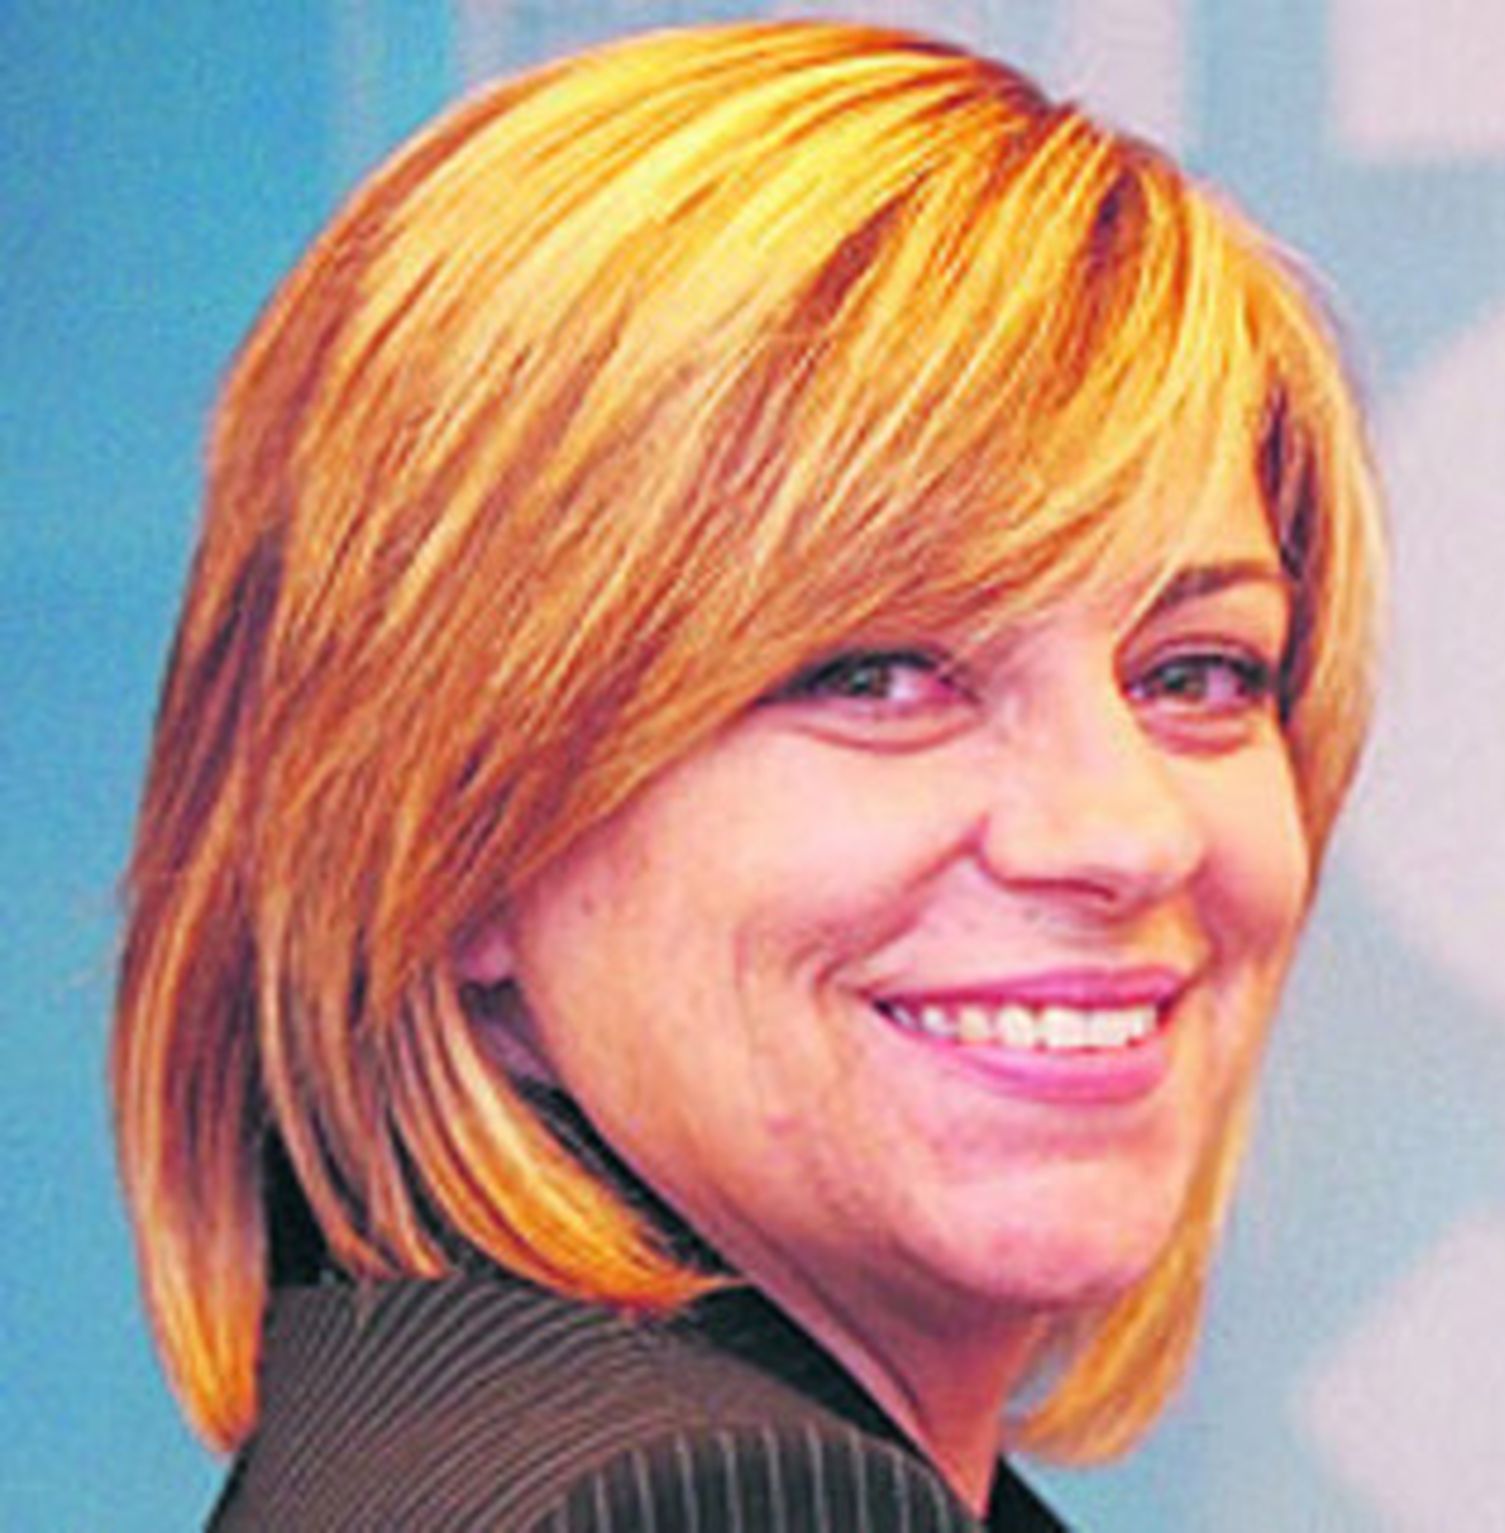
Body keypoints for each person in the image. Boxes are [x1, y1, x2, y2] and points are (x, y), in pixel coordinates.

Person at [113, 20, 1383, 1530]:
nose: (1126, 832)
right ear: (455, 831)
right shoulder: (718, 1501)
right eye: (878, 676)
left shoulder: (474, 1451)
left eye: (1197, 674)